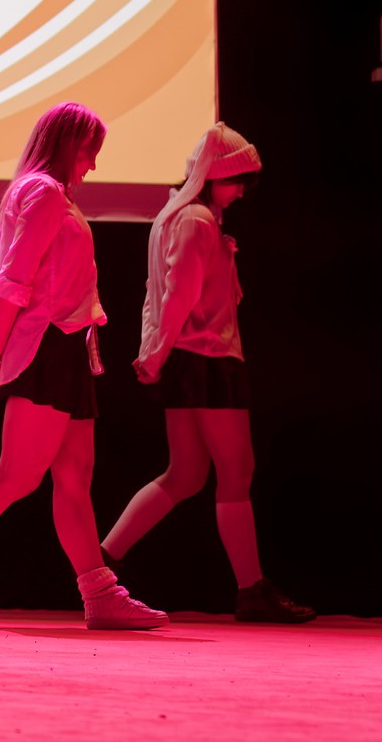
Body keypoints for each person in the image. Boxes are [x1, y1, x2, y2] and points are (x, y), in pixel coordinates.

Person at [0, 102, 168, 631]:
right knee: (16, 476)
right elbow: (13, 280)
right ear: (66, 143)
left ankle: (100, 593)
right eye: (89, 150)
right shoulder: (42, 192)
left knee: (73, 476)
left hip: (66, 346)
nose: (93, 163)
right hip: (46, 344)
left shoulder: (50, 194)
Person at [101, 123, 315, 623]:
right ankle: (251, 590)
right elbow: (177, 296)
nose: (242, 192)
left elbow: (160, 295)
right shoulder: (195, 220)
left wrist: (155, 353)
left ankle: (102, 561)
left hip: (190, 359)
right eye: (237, 180)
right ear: (214, 175)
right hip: (207, 359)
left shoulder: (180, 216)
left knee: (186, 474)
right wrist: (155, 355)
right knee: (234, 471)